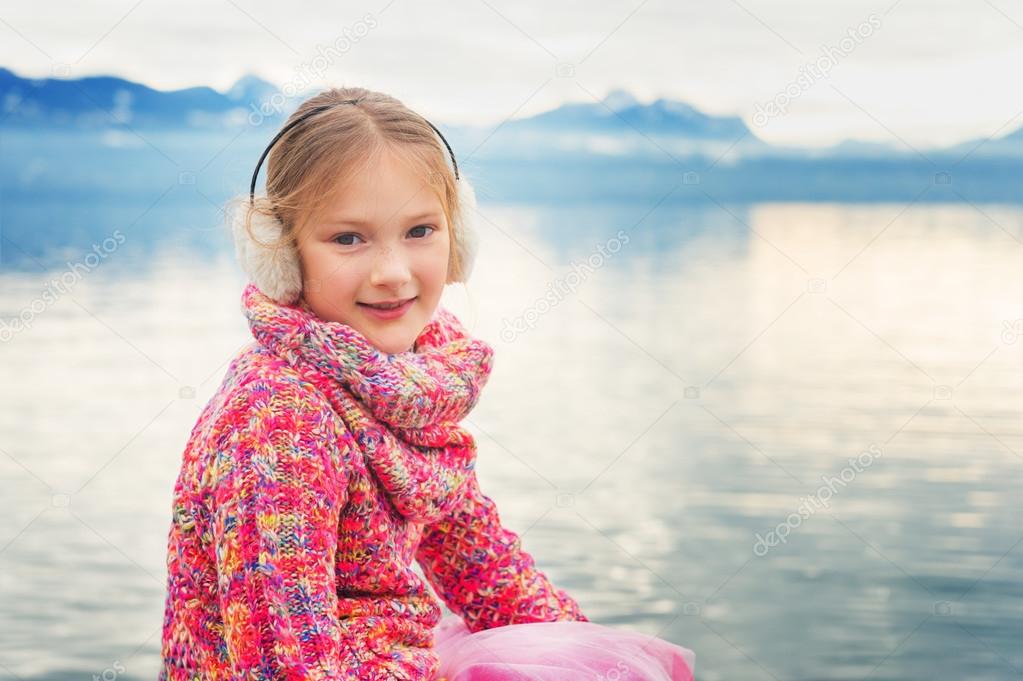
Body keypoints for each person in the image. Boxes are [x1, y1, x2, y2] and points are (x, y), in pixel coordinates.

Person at [158, 86, 696, 680]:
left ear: (457, 238)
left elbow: (481, 563)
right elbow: (283, 664)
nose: (392, 273)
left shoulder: (408, 387)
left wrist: (588, 650)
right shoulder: (281, 420)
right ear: (283, 255)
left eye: (420, 231)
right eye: (347, 238)